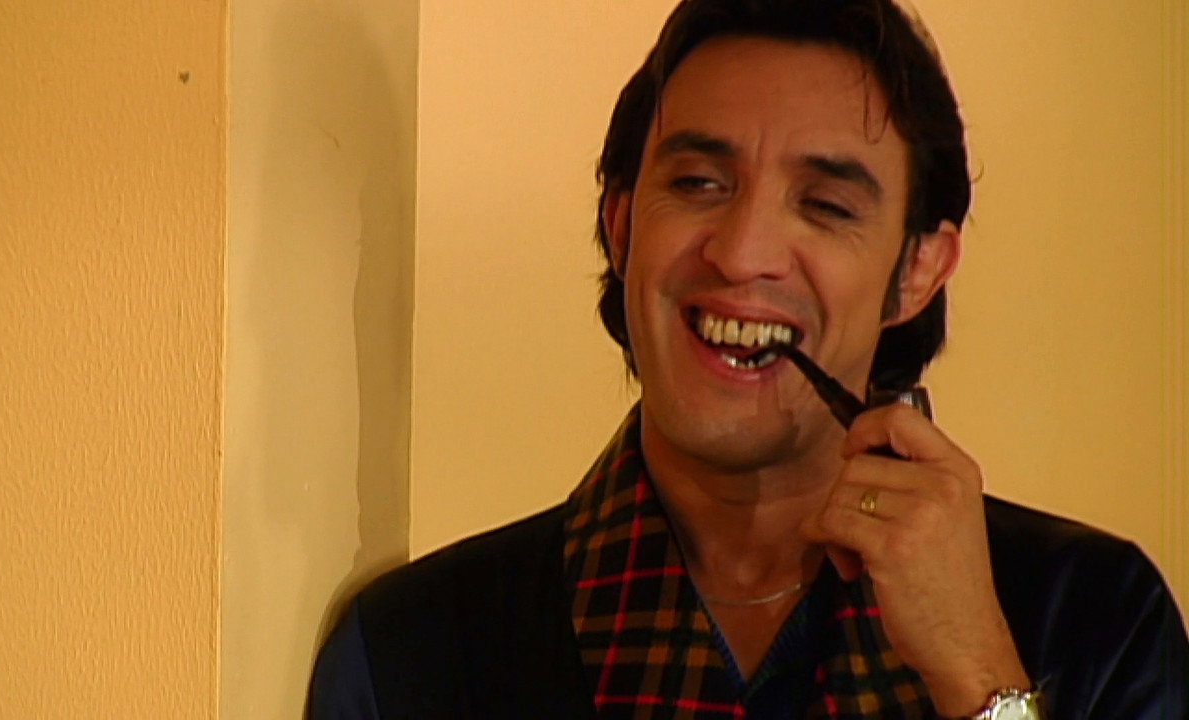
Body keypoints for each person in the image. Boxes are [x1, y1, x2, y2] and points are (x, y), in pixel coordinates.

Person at [308, 0, 1189, 717]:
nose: (741, 254)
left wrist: (979, 677)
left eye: (827, 205)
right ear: (622, 225)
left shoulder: (1093, 618)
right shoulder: (410, 653)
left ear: (919, 269)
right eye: (698, 184)